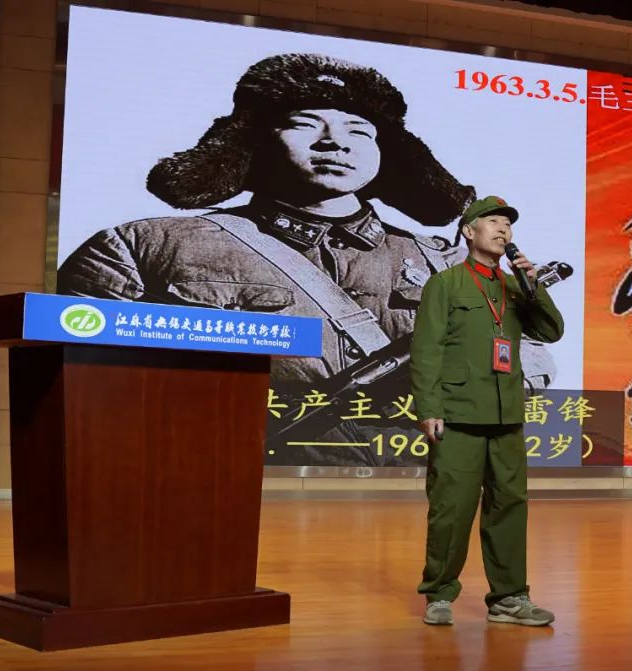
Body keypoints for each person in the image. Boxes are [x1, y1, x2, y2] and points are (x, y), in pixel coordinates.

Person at [57, 53, 556, 466]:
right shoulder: (143, 247)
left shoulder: (442, 260)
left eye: (359, 131)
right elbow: (91, 383)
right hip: (229, 482)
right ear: (253, 141)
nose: (334, 142)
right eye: (303, 125)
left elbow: (528, 351)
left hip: (417, 484)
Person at [410, 196, 565, 626]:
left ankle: (509, 598)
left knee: (510, 505)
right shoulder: (445, 284)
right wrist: (429, 407)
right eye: (492, 221)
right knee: (451, 508)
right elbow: (426, 350)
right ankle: (439, 593)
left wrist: (534, 285)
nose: (502, 230)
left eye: (507, 225)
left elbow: (551, 330)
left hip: (506, 415)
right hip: (458, 414)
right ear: (468, 231)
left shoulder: (516, 287)